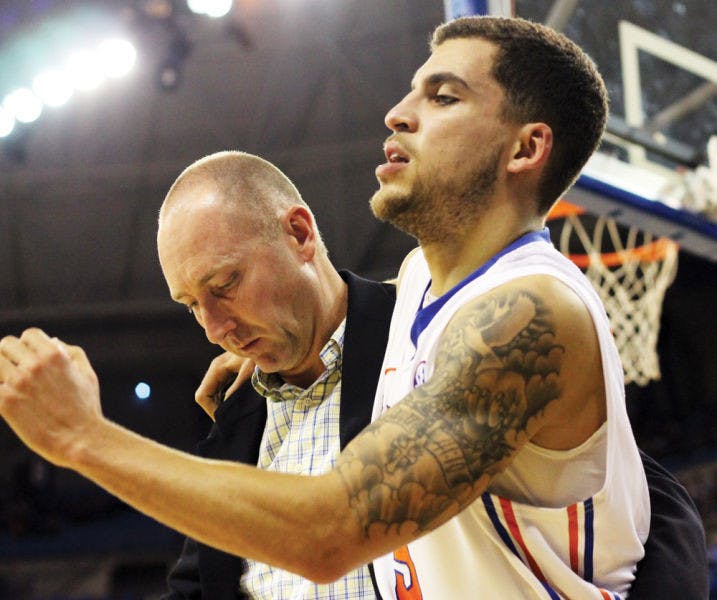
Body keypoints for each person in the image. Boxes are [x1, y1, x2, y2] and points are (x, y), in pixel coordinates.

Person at [0, 16, 707, 599]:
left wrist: (80, 436)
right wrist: (271, 353)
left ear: (525, 148)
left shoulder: (530, 311)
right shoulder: (420, 292)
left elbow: (329, 534)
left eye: (443, 97)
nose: (397, 113)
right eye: (412, 92)